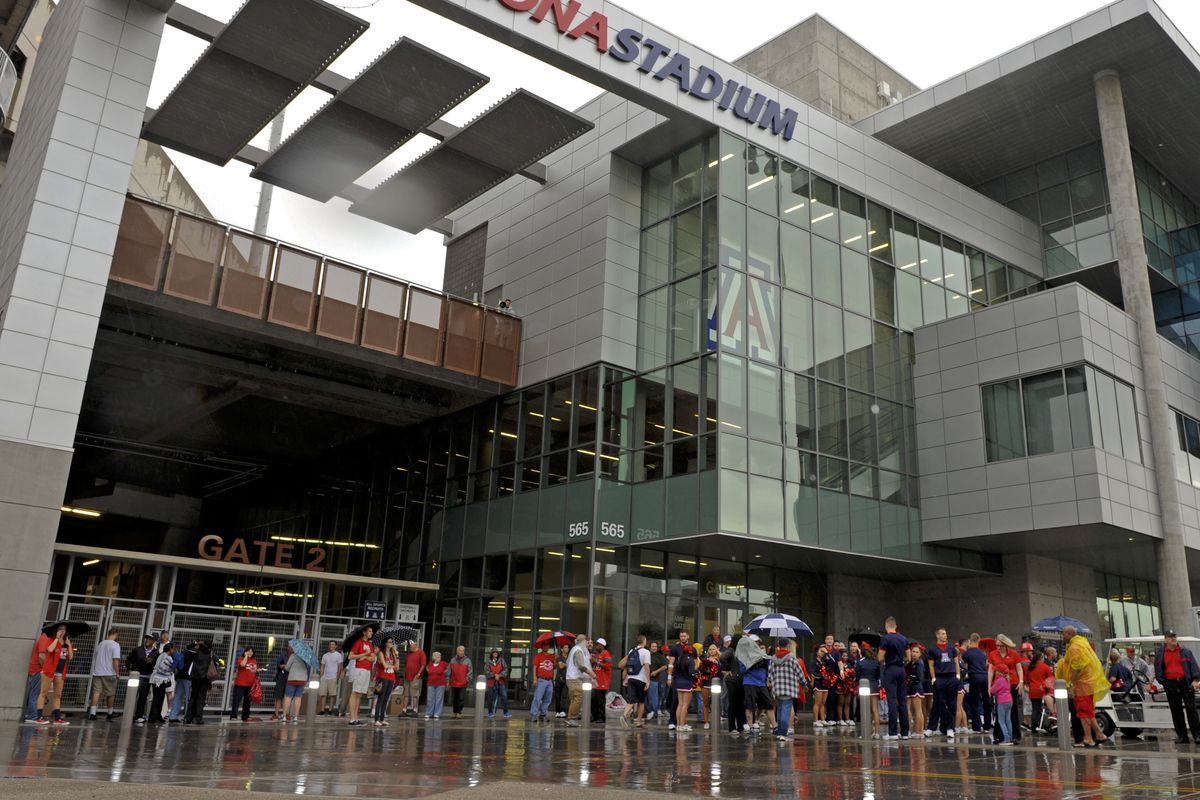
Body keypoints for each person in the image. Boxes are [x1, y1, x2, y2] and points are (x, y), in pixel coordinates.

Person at [1056, 624, 1111, 747]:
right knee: (1088, 711)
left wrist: (1072, 684)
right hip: (1088, 683)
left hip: (1082, 684)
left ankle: (1088, 738)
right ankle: (1099, 734)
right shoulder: (1082, 643)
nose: (1062, 637)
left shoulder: (1075, 647)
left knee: (1083, 712)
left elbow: (1078, 667)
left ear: (1069, 634)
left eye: (1063, 634)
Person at [1153, 629, 1200, 744]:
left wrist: (1195, 680)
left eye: (1174, 636)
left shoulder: (1185, 652)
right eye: (1170, 637)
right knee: (1176, 711)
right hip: (1170, 684)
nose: (1173, 638)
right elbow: (1157, 668)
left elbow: (1194, 666)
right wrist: (1163, 682)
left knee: (1191, 709)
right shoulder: (1160, 654)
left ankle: (1197, 735)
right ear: (1165, 639)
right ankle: (1182, 736)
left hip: (1185, 683)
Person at [987, 634, 1024, 745]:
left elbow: (1019, 669)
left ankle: (1015, 736)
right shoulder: (993, 654)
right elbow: (990, 671)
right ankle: (999, 736)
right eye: (997, 645)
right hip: (999, 684)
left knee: (1013, 711)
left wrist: (1021, 681)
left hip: (1012, 683)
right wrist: (989, 685)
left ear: (1006, 644)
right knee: (999, 712)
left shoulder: (1014, 654)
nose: (998, 647)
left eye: (1001, 645)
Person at [878, 616, 909, 740]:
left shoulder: (885, 638)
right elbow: (909, 657)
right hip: (901, 669)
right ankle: (905, 732)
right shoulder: (904, 638)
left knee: (891, 700)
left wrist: (884, 663)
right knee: (902, 701)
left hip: (890, 669)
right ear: (896, 626)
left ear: (886, 626)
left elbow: (880, 657)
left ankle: (893, 732)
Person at [768, 639, 803, 741]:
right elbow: (799, 672)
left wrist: (771, 682)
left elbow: (770, 673)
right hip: (789, 688)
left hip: (777, 688)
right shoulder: (792, 658)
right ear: (788, 646)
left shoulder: (773, 658)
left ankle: (779, 732)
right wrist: (804, 683)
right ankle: (783, 734)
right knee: (786, 711)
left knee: (779, 709)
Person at [926, 628, 959, 738]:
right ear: (937, 635)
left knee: (951, 704)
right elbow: (931, 665)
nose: (945, 635)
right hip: (939, 677)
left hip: (951, 676)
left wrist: (958, 675)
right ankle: (931, 728)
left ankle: (950, 728)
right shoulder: (932, 649)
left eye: (945, 634)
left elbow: (956, 662)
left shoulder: (951, 648)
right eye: (943, 634)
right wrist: (933, 678)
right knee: (937, 702)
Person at [88, 627, 122, 721]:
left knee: (96, 692)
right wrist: (117, 673)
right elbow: (115, 660)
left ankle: (92, 713)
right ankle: (110, 713)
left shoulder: (100, 644)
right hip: (109, 673)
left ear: (108, 634)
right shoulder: (115, 645)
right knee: (110, 693)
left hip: (98, 672)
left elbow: (95, 656)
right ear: (116, 635)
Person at [738, 634, 768, 735]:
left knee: (764, 705)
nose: (756, 644)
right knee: (750, 705)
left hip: (761, 683)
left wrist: (764, 659)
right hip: (750, 682)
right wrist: (753, 662)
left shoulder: (762, 653)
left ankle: (756, 721)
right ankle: (750, 724)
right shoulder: (744, 654)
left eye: (758, 642)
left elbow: (767, 668)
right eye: (755, 642)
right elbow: (742, 670)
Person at [619, 633, 651, 727]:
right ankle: (638, 721)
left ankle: (624, 715)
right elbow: (646, 666)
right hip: (641, 679)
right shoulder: (646, 652)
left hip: (631, 678)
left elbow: (626, 664)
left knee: (631, 700)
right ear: (644, 641)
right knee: (641, 701)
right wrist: (648, 681)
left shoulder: (631, 651)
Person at [667, 630, 696, 732]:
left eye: (684, 636)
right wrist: (669, 677)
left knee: (681, 704)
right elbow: (671, 664)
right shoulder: (675, 648)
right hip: (684, 680)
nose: (682, 638)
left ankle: (681, 723)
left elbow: (695, 664)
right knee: (681, 703)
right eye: (681, 636)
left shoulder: (689, 652)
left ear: (688, 636)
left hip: (680, 679)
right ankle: (674, 722)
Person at [564, 633, 595, 727]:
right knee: (578, 698)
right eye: (586, 641)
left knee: (574, 699)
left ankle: (571, 718)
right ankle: (572, 718)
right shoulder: (578, 651)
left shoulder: (574, 649)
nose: (587, 643)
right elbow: (581, 666)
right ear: (583, 641)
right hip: (575, 678)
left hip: (570, 677)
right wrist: (591, 673)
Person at [346, 627, 375, 726]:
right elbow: (350, 656)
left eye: (372, 631)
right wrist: (364, 654)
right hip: (360, 670)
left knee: (360, 694)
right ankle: (351, 719)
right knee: (355, 693)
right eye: (369, 631)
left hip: (367, 670)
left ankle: (356, 718)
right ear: (364, 632)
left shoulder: (370, 644)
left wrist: (365, 656)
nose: (371, 633)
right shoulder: (358, 642)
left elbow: (372, 658)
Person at [127, 633, 159, 724]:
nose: (147, 640)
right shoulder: (137, 650)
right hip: (136, 676)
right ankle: (128, 714)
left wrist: (152, 662)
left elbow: (157, 664)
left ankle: (138, 716)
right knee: (131, 695)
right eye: (146, 638)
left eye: (149, 639)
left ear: (153, 641)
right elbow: (129, 659)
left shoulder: (156, 653)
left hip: (146, 678)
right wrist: (129, 669)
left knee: (142, 697)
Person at [962, 633, 990, 733]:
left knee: (974, 702)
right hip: (985, 677)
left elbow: (964, 665)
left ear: (970, 641)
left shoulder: (967, 653)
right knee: (986, 702)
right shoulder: (983, 654)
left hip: (974, 677)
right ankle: (987, 726)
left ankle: (977, 726)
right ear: (979, 641)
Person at [43, 634, 74, 725]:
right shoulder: (51, 640)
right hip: (50, 671)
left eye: (64, 630)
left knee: (58, 694)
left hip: (60, 672)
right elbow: (50, 650)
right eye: (60, 629)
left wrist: (69, 645)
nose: (62, 632)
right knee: (43, 692)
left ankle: (57, 718)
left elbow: (70, 657)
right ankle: (38, 716)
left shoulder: (65, 645)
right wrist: (56, 638)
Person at [720, 635, 745, 735]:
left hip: (740, 679)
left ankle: (740, 726)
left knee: (740, 704)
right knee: (733, 703)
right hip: (733, 680)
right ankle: (732, 727)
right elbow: (722, 658)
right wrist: (727, 668)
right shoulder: (731, 650)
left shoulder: (741, 651)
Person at [1026, 648, 1055, 733]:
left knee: (1035, 709)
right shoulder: (1045, 667)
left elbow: (1027, 680)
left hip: (1032, 690)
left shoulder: (1030, 667)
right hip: (1042, 690)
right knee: (1042, 709)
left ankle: (1034, 726)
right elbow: (1051, 679)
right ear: (1041, 657)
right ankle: (1041, 725)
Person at [146, 642, 175, 724]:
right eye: (173, 649)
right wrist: (170, 672)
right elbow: (162, 668)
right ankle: (153, 717)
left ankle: (158, 715)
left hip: (160, 680)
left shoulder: (163, 655)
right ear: (170, 649)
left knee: (160, 697)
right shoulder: (166, 657)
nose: (174, 651)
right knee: (157, 698)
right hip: (158, 680)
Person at [167, 640, 195, 724]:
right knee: (189, 698)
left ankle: (173, 716)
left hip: (179, 677)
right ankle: (187, 717)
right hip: (188, 678)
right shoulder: (194, 655)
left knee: (177, 696)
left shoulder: (182, 653)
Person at [856, 643, 881, 737]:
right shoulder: (875, 661)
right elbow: (878, 675)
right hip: (874, 686)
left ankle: (866, 732)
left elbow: (857, 676)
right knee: (875, 709)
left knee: (865, 709)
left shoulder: (860, 661)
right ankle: (877, 732)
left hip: (863, 687)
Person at [186, 641, 213, 724]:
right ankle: (198, 718)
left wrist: (196, 642)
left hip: (195, 677)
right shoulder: (210, 654)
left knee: (193, 697)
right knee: (201, 699)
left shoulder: (196, 652)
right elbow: (219, 662)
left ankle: (188, 717)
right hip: (205, 679)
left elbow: (188, 647)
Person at [373, 638, 399, 726]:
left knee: (386, 699)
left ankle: (382, 719)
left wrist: (397, 656)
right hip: (382, 677)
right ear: (385, 643)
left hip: (391, 677)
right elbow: (384, 665)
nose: (391, 643)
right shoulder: (381, 653)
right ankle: (376, 719)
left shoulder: (393, 654)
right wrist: (392, 666)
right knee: (380, 698)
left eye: (392, 642)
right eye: (389, 642)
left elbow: (397, 668)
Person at [694, 644, 720, 730]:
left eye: (713, 649)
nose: (712, 651)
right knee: (705, 703)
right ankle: (706, 722)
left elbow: (722, 671)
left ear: (716, 650)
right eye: (710, 649)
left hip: (716, 684)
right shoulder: (705, 660)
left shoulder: (719, 660)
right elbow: (700, 671)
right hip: (706, 683)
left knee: (716, 703)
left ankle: (716, 720)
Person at [229, 646, 258, 722]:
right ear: (245, 652)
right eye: (248, 651)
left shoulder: (254, 660)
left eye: (251, 651)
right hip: (240, 684)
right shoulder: (241, 659)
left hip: (250, 684)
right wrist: (245, 656)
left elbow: (254, 670)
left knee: (247, 702)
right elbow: (242, 665)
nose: (250, 652)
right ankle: (233, 715)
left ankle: (245, 716)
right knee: (237, 700)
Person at [530, 642, 557, 723]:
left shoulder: (552, 656)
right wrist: (535, 678)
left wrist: (556, 659)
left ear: (549, 646)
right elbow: (534, 667)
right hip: (541, 680)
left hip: (550, 680)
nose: (546, 647)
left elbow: (554, 667)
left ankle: (543, 715)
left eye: (547, 645)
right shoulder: (538, 656)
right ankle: (533, 715)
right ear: (542, 647)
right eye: (544, 645)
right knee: (537, 698)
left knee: (547, 699)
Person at [905, 644, 927, 737]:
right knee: (909, 710)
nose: (914, 653)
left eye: (917, 652)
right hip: (910, 687)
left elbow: (920, 678)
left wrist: (911, 678)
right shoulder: (911, 663)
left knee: (918, 710)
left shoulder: (920, 663)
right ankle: (911, 730)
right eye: (913, 651)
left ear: (920, 654)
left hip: (916, 687)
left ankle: (920, 732)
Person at [484, 648, 512, 719]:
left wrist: (500, 675)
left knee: (504, 696)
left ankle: (506, 712)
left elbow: (506, 670)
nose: (495, 654)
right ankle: (490, 712)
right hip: (491, 683)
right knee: (490, 698)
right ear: (491, 654)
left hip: (500, 682)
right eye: (494, 653)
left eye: (496, 653)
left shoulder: (502, 661)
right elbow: (486, 672)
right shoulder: (488, 662)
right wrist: (494, 675)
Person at [990, 665, 1015, 745]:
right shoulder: (1007, 679)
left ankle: (1006, 739)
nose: (995, 672)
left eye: (996, 671)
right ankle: (1010, 738)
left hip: (1002, 702)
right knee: (1008, 720)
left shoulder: (999, 680)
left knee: (1001, 721)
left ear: (999, 672)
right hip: (1009, 700)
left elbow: (992, 690)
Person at [401, 641, 427, 718]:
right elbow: (406, 664)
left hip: (415, 677)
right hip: (407, 676)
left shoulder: (421, 652)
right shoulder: (409, 653)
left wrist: (418, 674)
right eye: (408, 646)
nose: (409, 647)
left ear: (415, 645)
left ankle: (415, 711)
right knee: (406, 694)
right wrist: (404, 673)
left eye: (410, 646)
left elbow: (423, 664)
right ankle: (404, 710)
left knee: (415, 694)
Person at [590, 637, 612, 723]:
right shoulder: (596, 654)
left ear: (602, 645)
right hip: (596, 681)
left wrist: (597, 662)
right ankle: (594, 716)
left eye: (597, 645)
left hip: (603, 681)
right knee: (593, 699)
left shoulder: (606, 654)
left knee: (600, 700)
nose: (596, 646)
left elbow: (608, 666)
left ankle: (601, 717)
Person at [448, 645, 473, 718]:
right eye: (460, 650)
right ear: (457, 651)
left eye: (463, 650)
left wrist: (466, 680)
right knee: (454, 699)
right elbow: (449, 670)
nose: (462, 652)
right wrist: (448, 679)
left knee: (461, 698)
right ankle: (454, 712)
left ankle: (459, 712)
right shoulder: (452, 660)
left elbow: (470, 672)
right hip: (454, 682)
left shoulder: (468, 661)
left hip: (463, 683)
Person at [838, 643, 858, 728]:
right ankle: (840, 719)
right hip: (841, 685)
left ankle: (847, 719)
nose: (845, 657)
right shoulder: (839, 664)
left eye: (846, 656)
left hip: (849, 685)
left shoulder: (849, 664)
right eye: (843, 656)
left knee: (848, 703)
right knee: (840, 703)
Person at [319, 641, 343, 715]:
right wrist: (321, 676)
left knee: (332, 695)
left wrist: (337, 677)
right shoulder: (325, 655)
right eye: (330, 644)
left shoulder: (338, 655)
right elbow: (322, 666)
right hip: (324, 677)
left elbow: (340, 667)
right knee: (323, 694)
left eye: (333, 644)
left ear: (335, 646)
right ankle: (322, 710)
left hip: (333, 677)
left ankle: (330, 710)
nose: (331, 646)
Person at [648, 641, 668, 721]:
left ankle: (654, 712)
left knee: (654, 696)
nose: (654, 648)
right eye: (653, 646)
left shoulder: (659, 656)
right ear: (650, 647)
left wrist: (656, 672)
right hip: (645, 679)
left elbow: (665, 666)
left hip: (654, 679)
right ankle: (648, 712)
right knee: (647, 697)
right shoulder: (647, 654)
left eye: (655, 646)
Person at [425, 651, 448, 719]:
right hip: (431, 683)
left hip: (440, 684)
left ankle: (437, 713)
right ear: (434, 657)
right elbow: (427, 668)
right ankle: (429, 713)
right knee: (430, 699)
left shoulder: (443, 663)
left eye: (440, 657)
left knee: (439, 699)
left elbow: (449, 667)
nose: (439, 658)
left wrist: (445, 672)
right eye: (437, 657)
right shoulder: (430, 664)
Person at [271, 648, 289, 721]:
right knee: (278, 696)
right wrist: (284, 665)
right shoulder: (283, 655)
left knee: (287, 697)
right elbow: (278, 664)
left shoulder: (296, 656)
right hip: (281, 677)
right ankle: (276, 714)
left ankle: (286, 714)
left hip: (290, 678)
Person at [553, 644, 570, 718]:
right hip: (559, 678)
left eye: (568, 647)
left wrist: (565, 664)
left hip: (567, 678)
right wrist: (567, 664)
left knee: (564, 695)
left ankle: (563, 711)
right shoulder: (559, 657)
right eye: (565, 647)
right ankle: (557, 711)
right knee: (558, 696)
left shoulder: (569, 657)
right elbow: (561, 666)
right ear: (562, 649)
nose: (567, 649)